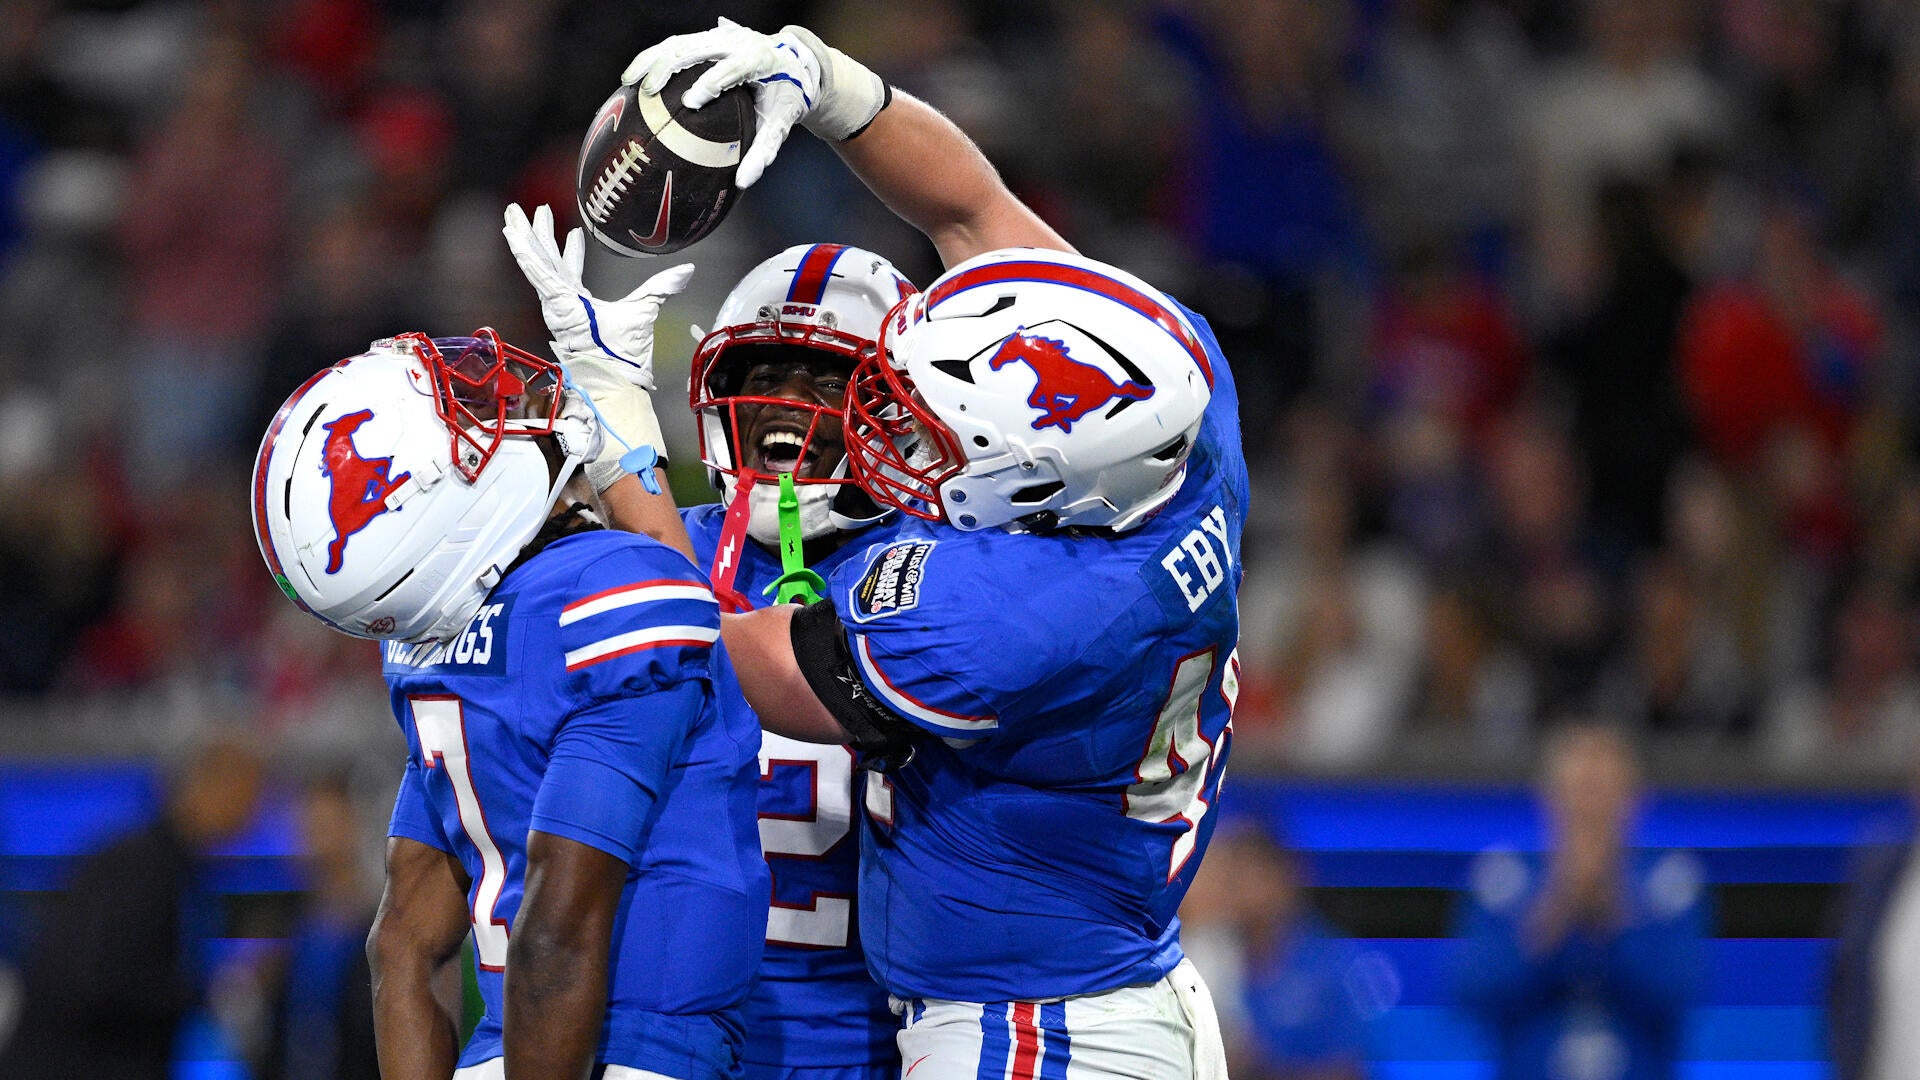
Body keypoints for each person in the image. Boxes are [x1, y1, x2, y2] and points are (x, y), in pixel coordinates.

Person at [518, 20, 1249, 1078]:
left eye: (936, 429)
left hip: (1031, 1026)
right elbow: (972, 210)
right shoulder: (1177, 407)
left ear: (1041, 481)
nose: (905, 438)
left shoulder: (998, 616)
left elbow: (703, 643)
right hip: (1084, 987)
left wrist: (626, 456)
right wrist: (832, 86)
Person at [251, 327, 767, 1080]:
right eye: (464, 425)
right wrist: (632, 455)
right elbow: (556, 932)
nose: (501, 413)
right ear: (428, 504)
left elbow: (402, 943)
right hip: (619, 1051)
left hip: (503, 1050)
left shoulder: (424, 648)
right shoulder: (612, 590)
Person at [503, 210, 910, 1079]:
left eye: (822, 382)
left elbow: (710, 643)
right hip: (658, 1040)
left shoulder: (925, 578)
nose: (783, 404)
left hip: (867, 1044)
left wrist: (624, 452)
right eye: (763, 376)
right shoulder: (643, 554)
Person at [0, 735, 264, 1080]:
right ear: (212, 785)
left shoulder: (170, 867)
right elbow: (100, 981)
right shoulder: (141, 869)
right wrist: (212, 994)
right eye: (248, 796)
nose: (251, 816)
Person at [1452, 723, 1706, 1080]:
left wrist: (1613, 912)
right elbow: (1472, 992)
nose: (1590, 808)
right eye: (1579, 790)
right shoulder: (1504, 878)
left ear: (1635, 798)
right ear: (1549, 796)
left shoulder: (1669, 880)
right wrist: (1555, 910)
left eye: (1603, 791)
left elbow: (1679, 992)